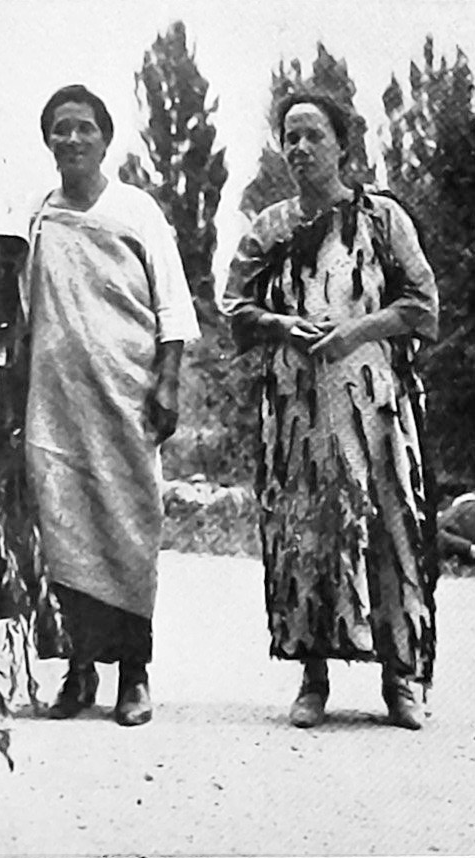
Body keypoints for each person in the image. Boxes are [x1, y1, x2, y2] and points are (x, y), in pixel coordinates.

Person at [0, 84, 200, 727]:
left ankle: (134, 674)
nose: (71, 139)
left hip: (125, 395)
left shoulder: (137, 209)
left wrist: (168, 380)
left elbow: (174, 305)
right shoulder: (35, 213)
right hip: (53, 401)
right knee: (61, 531)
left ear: (105, 137)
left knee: (128, 528)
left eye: (84, 128)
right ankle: (77, 671)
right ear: (48, 140)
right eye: (60, 129)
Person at [224, 92, 439, 730]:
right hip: (298, 411)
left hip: (377, 409)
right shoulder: (272, 226)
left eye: (313, 135)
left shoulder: (383, 219)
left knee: (390, 530)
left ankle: (402, 678)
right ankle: (312, 675)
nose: (300, 149)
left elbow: (424, 306)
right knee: (303, 536)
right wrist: (281, 325)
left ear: (343, 145)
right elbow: (234, 306)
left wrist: (356, 331)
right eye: (289, 137)